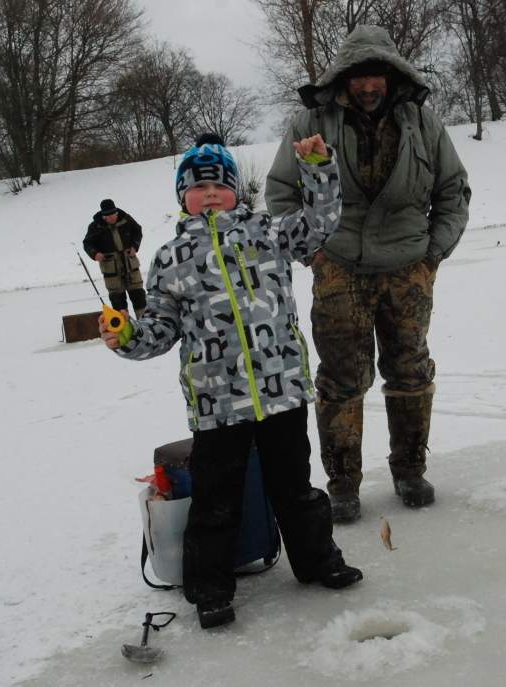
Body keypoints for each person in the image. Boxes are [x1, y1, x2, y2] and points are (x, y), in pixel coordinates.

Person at [100, 132, 362, 630]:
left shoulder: (268, 231)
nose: (212, 193)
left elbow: (321, 222)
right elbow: (161, 326)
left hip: (281, 390)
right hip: (217, 402)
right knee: (217, 498)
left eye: (221, 183)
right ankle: (210, 587)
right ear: (183, 197)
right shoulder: (170, 258)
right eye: (199, 187)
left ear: (236, 190)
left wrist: (317, 165)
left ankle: (317, 561)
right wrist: (128, 337)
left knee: (296, 487)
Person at [265, 25, 471, 524]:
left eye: (376, 74)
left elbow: (453, 191)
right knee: (339, 381)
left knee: (410, 372)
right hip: (339, 269)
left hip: (408, 270)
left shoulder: (424, 123)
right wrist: (312, 250)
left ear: (393, 75)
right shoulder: (309, 122)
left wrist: (432, 255)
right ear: (343, 78)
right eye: (358, 76)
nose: (368, 86)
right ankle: (342, 485)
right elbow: (280, 194)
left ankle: (409, 470)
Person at [83, 198, 147, 318]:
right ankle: (125, 330)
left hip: (130, 265)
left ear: (116, 212)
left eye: (114, 214)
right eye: (109, 216)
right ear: (103, 216)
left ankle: (145, 327)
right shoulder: (95, 226)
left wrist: (135, 246)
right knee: (118, 304)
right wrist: (95, 254)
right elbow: (87, 243)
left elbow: (138, 231)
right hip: (111, 269)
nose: (112, 218)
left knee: (139, 298)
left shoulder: (126, 219)